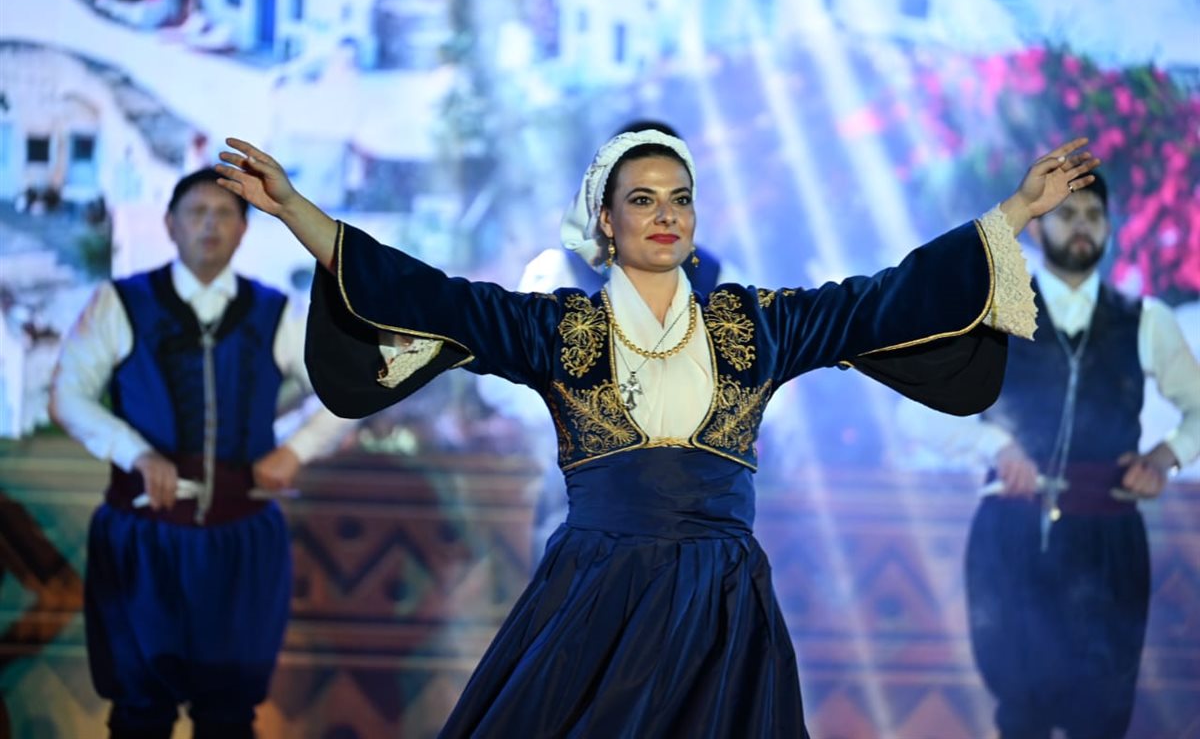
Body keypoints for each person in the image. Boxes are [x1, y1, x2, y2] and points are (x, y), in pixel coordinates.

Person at [214, 130, 1097, 738]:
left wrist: (1014, 213)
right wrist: (298, 211)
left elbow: (884, 299)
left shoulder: (756, 325)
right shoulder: (562, 329)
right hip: (597, 596)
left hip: (723, 604)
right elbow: (430, 296)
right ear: (607, 221)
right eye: (642, 199)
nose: (665, 213)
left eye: (680, 198)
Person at [48, 169, 361, 739]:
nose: (209, 225)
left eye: (224, 213)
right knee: (139, 713)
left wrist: (294, 452)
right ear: (170, 225)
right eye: (196, 212)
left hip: (241, 541)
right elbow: (68, 396)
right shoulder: (121, 303)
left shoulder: (275, 312)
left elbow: (346, 393)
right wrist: (136, 454)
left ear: (244, 229)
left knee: (229, 716)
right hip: (143, 537)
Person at [899, 172, 1200, 738]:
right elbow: (915, 412)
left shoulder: (1146, 321)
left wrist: (1165, 457)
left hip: (1109, 538)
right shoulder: (994, 315)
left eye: (1093, 216)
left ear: (1109, 228)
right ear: (1037, 230)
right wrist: (997, 444)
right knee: (1021, 715)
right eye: (1067, 214)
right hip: (1011, 534)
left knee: (1102, 716)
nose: (1082, 227)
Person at [475, 119, 735, 563]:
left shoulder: (716, 280)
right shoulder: (559, 274)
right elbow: (505, 382)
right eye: (642, 195)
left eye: (676, 194)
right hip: (583, 500)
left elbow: (755, 388)